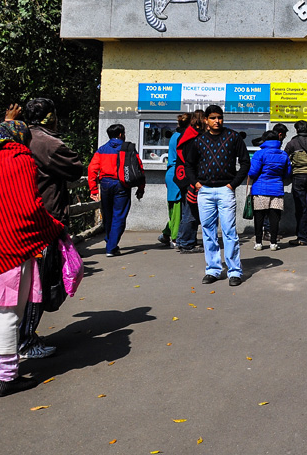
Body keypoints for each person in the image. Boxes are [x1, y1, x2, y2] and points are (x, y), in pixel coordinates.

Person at [0, 120, 64, 397]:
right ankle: (8, 376)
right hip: (11, 247)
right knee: (8, 314)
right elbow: (29, 207)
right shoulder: (20, 159)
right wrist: (53, 227)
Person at [20, 98, 84, 360]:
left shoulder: (18, 137)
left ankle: (21, 337)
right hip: (44, 221)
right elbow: (74, 167)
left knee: (22, 284)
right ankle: (25, 341)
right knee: (38, 283)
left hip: (19, 220)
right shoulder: (47, 142)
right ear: (49, 117)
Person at [184, 105, 250, 286]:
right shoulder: (199, 141)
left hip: (225, 191)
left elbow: (245, 162)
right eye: (213, 118)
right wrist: (196, 183)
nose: (217, 121)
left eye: (219, 117)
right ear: (206, 120)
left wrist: (232, 184)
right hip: (204, 191)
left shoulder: (233, 137)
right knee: (208, 231)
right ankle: (213, 269)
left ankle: (234, 271)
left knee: (229, 231)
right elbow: (188, 164)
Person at [88, 124, 145, 257]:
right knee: (119, 215)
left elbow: (92, 169)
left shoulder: (101, 150)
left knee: (108, 215)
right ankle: (111, 247)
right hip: (122, 185)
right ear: (121, 134)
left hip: (105, 184)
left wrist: (93, 189)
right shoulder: (128, 149)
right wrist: (141, 188)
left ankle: (110, 240)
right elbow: (139, 169)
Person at [248, 130, 292, 250]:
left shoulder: (260, 154)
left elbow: (253, 172)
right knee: (274, 218)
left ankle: (258, 243)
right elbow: (288, 173)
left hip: (260, 190)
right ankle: (273, 243)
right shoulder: (283, 155)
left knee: (259, 217)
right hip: (277, 190)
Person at [173, 110, 205, 253]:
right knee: (191, 212)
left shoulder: (185, 135)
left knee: (187, 209)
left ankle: (182, 239)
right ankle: (187, 243)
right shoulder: (195, 137)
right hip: (191, 178)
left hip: (182, 176)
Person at [157, 114, 190, 248]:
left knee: (174, 207)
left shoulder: (174, 136)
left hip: (171, 173)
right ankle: (175, 238)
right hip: (178, 173)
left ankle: (166, 233)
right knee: (177, 208)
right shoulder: (182, 137)